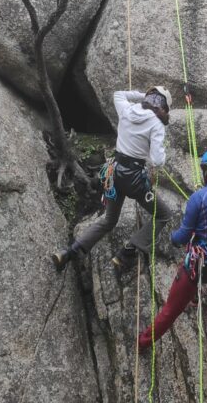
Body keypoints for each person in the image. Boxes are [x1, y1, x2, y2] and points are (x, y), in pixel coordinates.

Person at [50, 87, 173, 273]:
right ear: (163, 107)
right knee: (163, 214)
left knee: (109, 220)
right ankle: (127, 252)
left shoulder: (126, 110)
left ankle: (69, 253)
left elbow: (118, 94)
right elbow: (157, 160)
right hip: (134, 180)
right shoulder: (156, 124)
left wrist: (143, 96)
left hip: (114, 174)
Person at [137, 149, 207, 352]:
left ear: (206, 171)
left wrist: (172, 238)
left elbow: (183, 236)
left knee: (170, 309)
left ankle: (143, 342)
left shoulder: (199, 197)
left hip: (202, 267)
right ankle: (194, 297)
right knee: (195, 256)